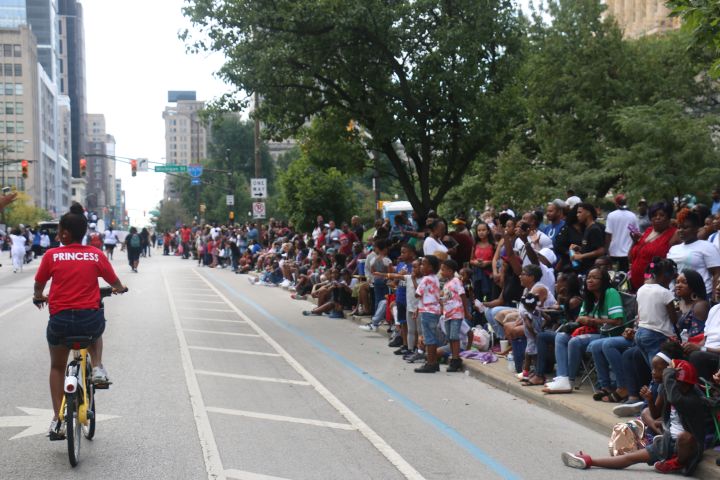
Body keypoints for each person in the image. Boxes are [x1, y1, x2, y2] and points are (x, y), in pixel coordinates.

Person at [32, 202, 126, 440]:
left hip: (60, 322)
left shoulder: (52, 255)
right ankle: (97, 367)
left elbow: (39, 284)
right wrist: (119, 288)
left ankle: (57, 421)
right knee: (96, 327)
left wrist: (38, 297)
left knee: (56, 366)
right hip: (88, 321)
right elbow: (113, 280)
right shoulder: (95, 254)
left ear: (64, 233)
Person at [561, 360, 710, 475]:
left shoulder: (694, 399)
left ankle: (676, 463)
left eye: (682, 384)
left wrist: (668, 376)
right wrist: (651, 399)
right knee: (631, 458)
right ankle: (588, 460)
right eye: (677, 384)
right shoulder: (669, 390)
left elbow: (676, 399)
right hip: (668, 441)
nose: (679, 387)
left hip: (688, 447)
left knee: (685, 436)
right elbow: (656, 413)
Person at [543, 268, 625, 393]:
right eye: (588, 277)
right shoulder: (589, 296)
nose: (590, 280)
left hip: (608, 334)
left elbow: (619, 322)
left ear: (603, 281)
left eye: (594, 278)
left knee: (575, 341)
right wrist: (584, 320)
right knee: (560, 337)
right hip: (591, 332)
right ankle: (562, 378)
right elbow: (581, 318)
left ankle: (569, 381)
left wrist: (592, 321)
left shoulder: (610, 293)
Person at [667, 210, 720, 300]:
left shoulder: (707, 246)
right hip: (678, 297)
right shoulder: (673, 249)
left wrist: (714, 298)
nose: (681, 231)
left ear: (696, 228)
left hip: (701, 296)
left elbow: (717, 273)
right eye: (679, 227)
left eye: (685, 227)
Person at [628, 202, 677, 292]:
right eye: (654, 215)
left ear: (668, 217)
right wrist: (634, 241)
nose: (657, 217)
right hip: (634, 284)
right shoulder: (648, 231)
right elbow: (631, 256)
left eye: (661, 215)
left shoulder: (674, 234)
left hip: (654, 286)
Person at [438, 259, 471, 372]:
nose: (441, 272)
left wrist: (466, 312)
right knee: (449, 338)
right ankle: (454, 357)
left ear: (450, 271)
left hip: (456, 313)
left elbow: (462, 296)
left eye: (443, 269)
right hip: (447, 314)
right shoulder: (446, 284)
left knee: (454, 337)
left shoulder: (456, 281)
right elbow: (446, 298)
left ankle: (456, 359)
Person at [414, 255, 442, 373]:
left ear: (430, 267)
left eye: (423, 264)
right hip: (435, 310)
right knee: (432, 337)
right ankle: (434, 362)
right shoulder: (435, 278)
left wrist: (414, 280)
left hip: (427, 311)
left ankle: (430, 363)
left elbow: (417, 294)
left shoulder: (425, 279)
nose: (421, 266)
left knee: (429, 338)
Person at [604, 194, 638, 272]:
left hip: (613, 253)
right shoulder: (632, 216)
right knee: (625, 277)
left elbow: (608, 235)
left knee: (612, 276)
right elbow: (636, 234)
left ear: (616, 203)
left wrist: (606, 250)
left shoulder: (611, 216)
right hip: (627, 253)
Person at [569, 203, 606, 274]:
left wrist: (581, 256)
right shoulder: (587, 228)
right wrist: (579, 248)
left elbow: (601, 250)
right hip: (585, 269)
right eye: (577, 212)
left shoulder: (594, 229)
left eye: (580, 212)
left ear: (588, 213)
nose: (577, 215)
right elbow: (590, 248)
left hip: (592, 269)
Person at [674, 269, 710, 338]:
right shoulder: (676, 302)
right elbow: (675, 324)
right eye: (677, 282)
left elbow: (698, 333)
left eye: (684, 282)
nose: (678, 285)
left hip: (693, 345)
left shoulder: (700, 305)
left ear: (694, 285)